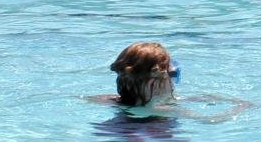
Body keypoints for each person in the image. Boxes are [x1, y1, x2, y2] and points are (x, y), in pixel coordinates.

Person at [86, 41, 250, 121]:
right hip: (156, 138)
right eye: (173, 75)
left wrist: (206, 97)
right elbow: (211, 120)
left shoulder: (109, 101)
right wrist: (240, 108)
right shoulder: (163, 109)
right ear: (159, 80)